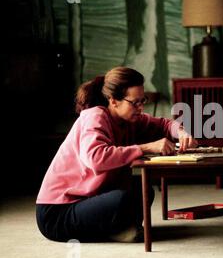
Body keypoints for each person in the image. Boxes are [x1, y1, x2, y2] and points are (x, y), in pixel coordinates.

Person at [36, 67, 197, 243]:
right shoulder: (95, 116)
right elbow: (96, 158)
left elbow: (164, 124)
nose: (141, 107)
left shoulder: (129, 118)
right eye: (135, 103)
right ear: (113, 101)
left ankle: (116, 230)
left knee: (143, 191)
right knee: (122, 199)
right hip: (57, 213)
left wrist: (182, 132)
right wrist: (145, 148)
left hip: (86, 202)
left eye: (142, 101)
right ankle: (116, 231)